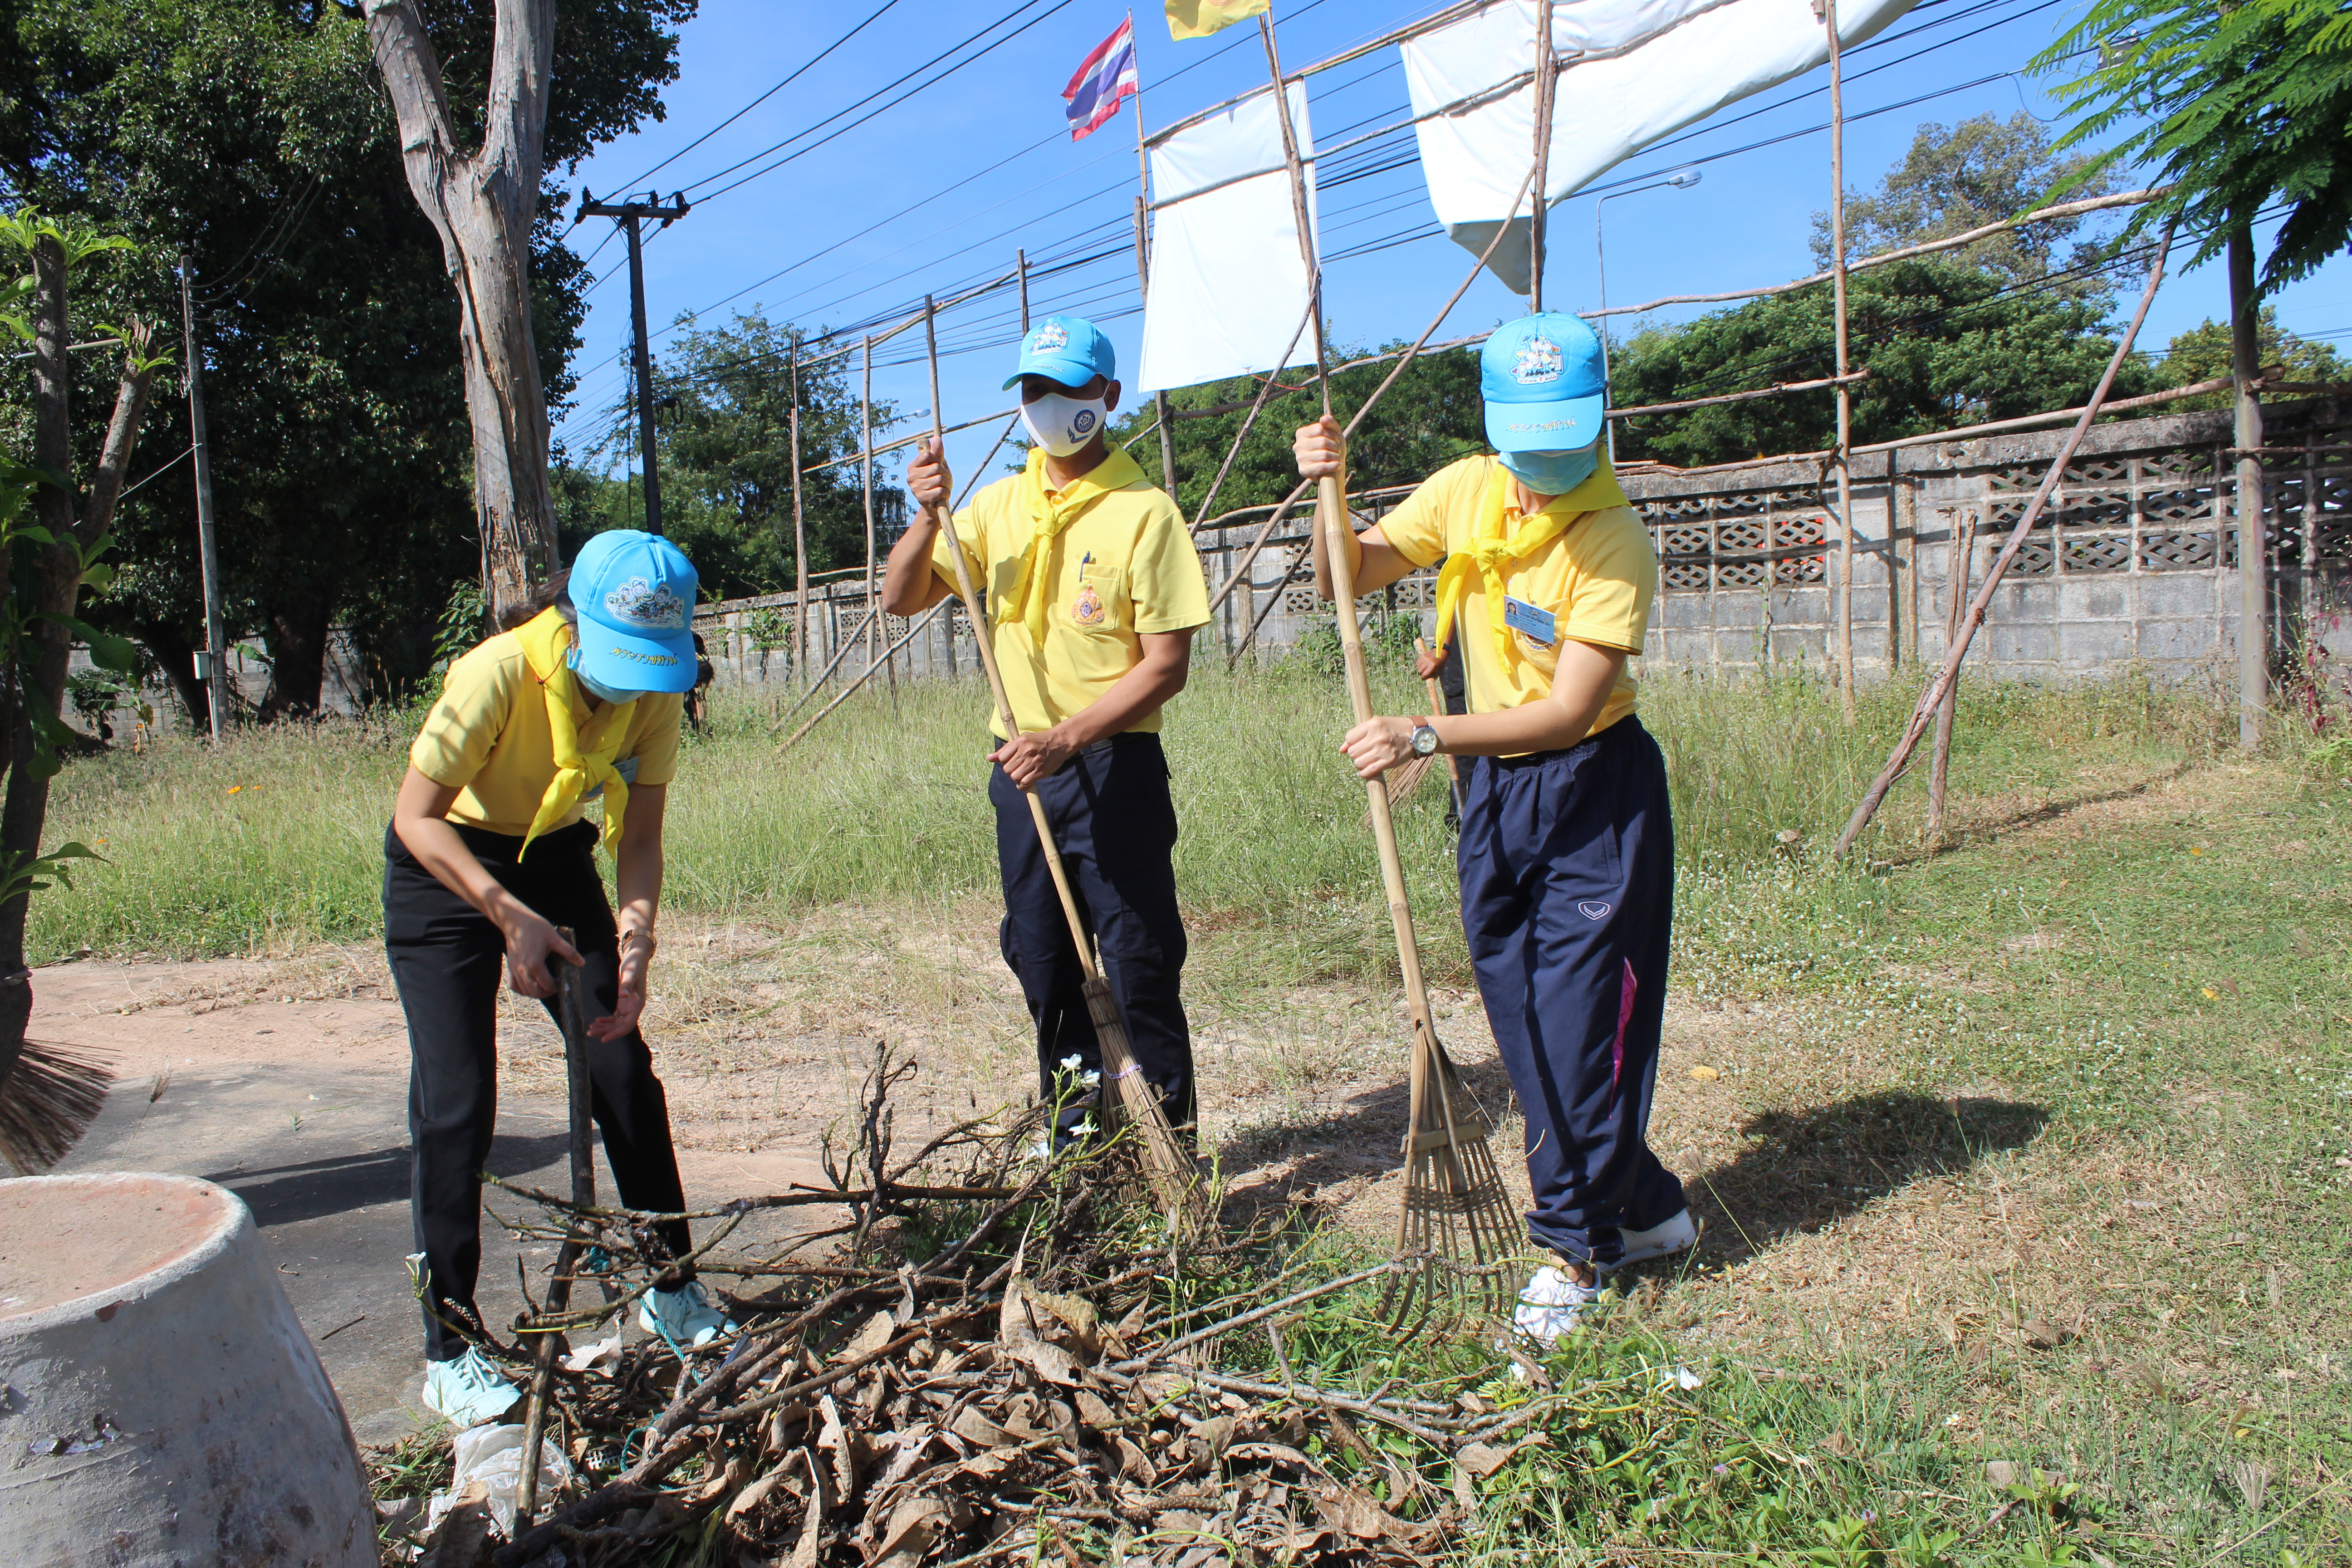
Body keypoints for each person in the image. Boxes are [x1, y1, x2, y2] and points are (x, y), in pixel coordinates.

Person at [1292, 312, 1694, 1346]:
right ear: (1495, 423)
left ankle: (1573, 1249)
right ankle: (1643, 1206)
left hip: (1591, 790)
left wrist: (1422, 734)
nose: (1549, 461)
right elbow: (1356, 570)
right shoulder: (1468, 486)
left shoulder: (1612, 539)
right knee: (1523, 1023)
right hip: (1492, 797)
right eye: (1531, 436)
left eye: (1570, 432)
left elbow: (1567, 709)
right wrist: (1323, 492)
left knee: (1578, 1021)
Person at [387, 529, 736, 1428]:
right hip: (445, 871)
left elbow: (642, 838)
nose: (626, 682)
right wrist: (506, 918)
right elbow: (416, 818)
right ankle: (449, 1346)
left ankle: (672, 1288)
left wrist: (637, 939)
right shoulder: (498, 673)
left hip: (554, 866)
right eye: (615, 659)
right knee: (458, 1104)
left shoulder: (653, 695)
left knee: (623, 1071)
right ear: (570, 618)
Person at [881, 315, 1210, 1147]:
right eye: (1033, 391)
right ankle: (1075, 1142)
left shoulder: (1146, 514)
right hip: (1021, 777)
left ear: (1106, 396)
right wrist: (927, 515)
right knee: (1043, 960)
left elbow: (1164, 666)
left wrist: (1066, 739)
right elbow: (900, 597)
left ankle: (1167, 1135)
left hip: (1113, 766)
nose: (1048, 406)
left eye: (1066, 390)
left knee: (1137, 961)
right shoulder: (993, 507)